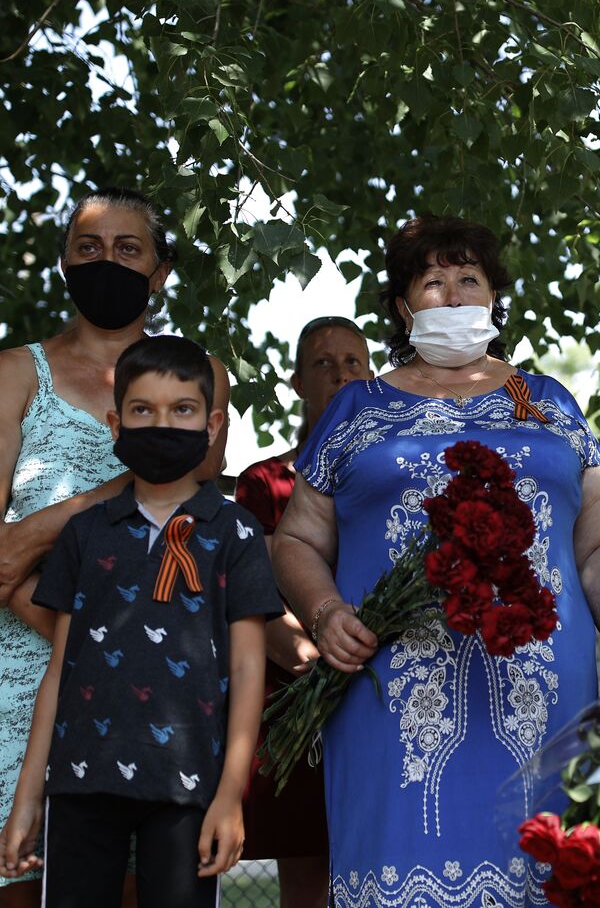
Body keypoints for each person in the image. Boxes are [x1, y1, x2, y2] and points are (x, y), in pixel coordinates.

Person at [273, 215, 600, 908]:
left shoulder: (549, 403)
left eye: (467, 280)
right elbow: (294, 539)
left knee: (546, 870)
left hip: (545, 699)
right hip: (391, 697)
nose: (451, 297)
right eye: (432, 283)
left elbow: (599, 542)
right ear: (403, 308)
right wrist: (324, 613)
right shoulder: (357, 408)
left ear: (494, 299)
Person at [0, 187, 231, 905]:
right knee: (17, 880)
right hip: (17, 657)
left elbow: (193, 480)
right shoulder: (13, 373)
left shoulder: (198, 376)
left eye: (128, 249)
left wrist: (42, 528)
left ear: (161, 271)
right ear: (65, 264)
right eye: (88, 249)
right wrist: (70, 637)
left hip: (154, 668)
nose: (107, 262)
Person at [0, 335, 281, 906]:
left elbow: (249, 670)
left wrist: (230, 795)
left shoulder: (236, 534)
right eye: (142, 410)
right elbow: (60, 671)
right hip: (80, 781)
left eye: (182, 410)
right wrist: (28, 797)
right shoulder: (87, 532)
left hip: (188, 784)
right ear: (115, 423)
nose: (162, 424)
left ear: (212, 423)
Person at [236, 316, 371, 908]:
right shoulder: (265, 482)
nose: (340, 374)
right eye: (323, 363)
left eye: (353, 362)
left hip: (384, 693)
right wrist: (317, 663)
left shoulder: (399, 476)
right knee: (309, 874)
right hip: (304, 700)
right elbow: (251, 598)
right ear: (296, 382)